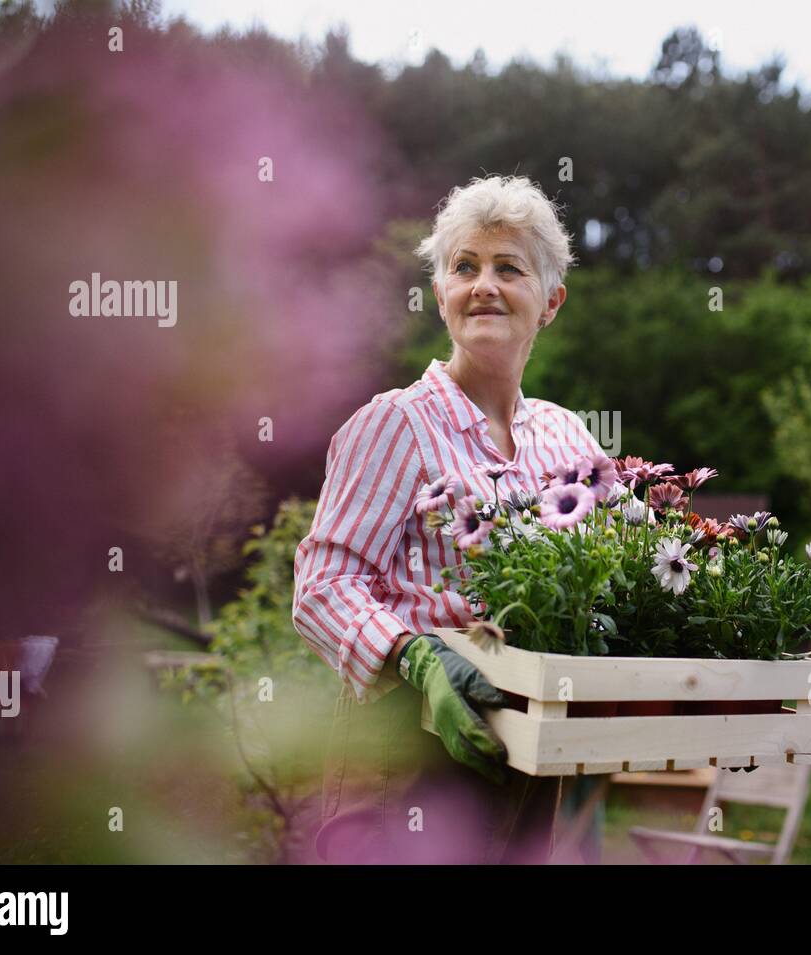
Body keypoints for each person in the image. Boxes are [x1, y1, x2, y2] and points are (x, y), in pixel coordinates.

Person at [293, 175, 608, 864]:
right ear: (440, 296)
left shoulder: (568, 438)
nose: (483, 285)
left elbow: (629, 566)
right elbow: (322, 583)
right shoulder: (394, 424)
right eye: (464, 267)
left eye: (508, 268)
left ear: (551, 300)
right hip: (409, 745)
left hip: (528, 755)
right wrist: (416, 656)